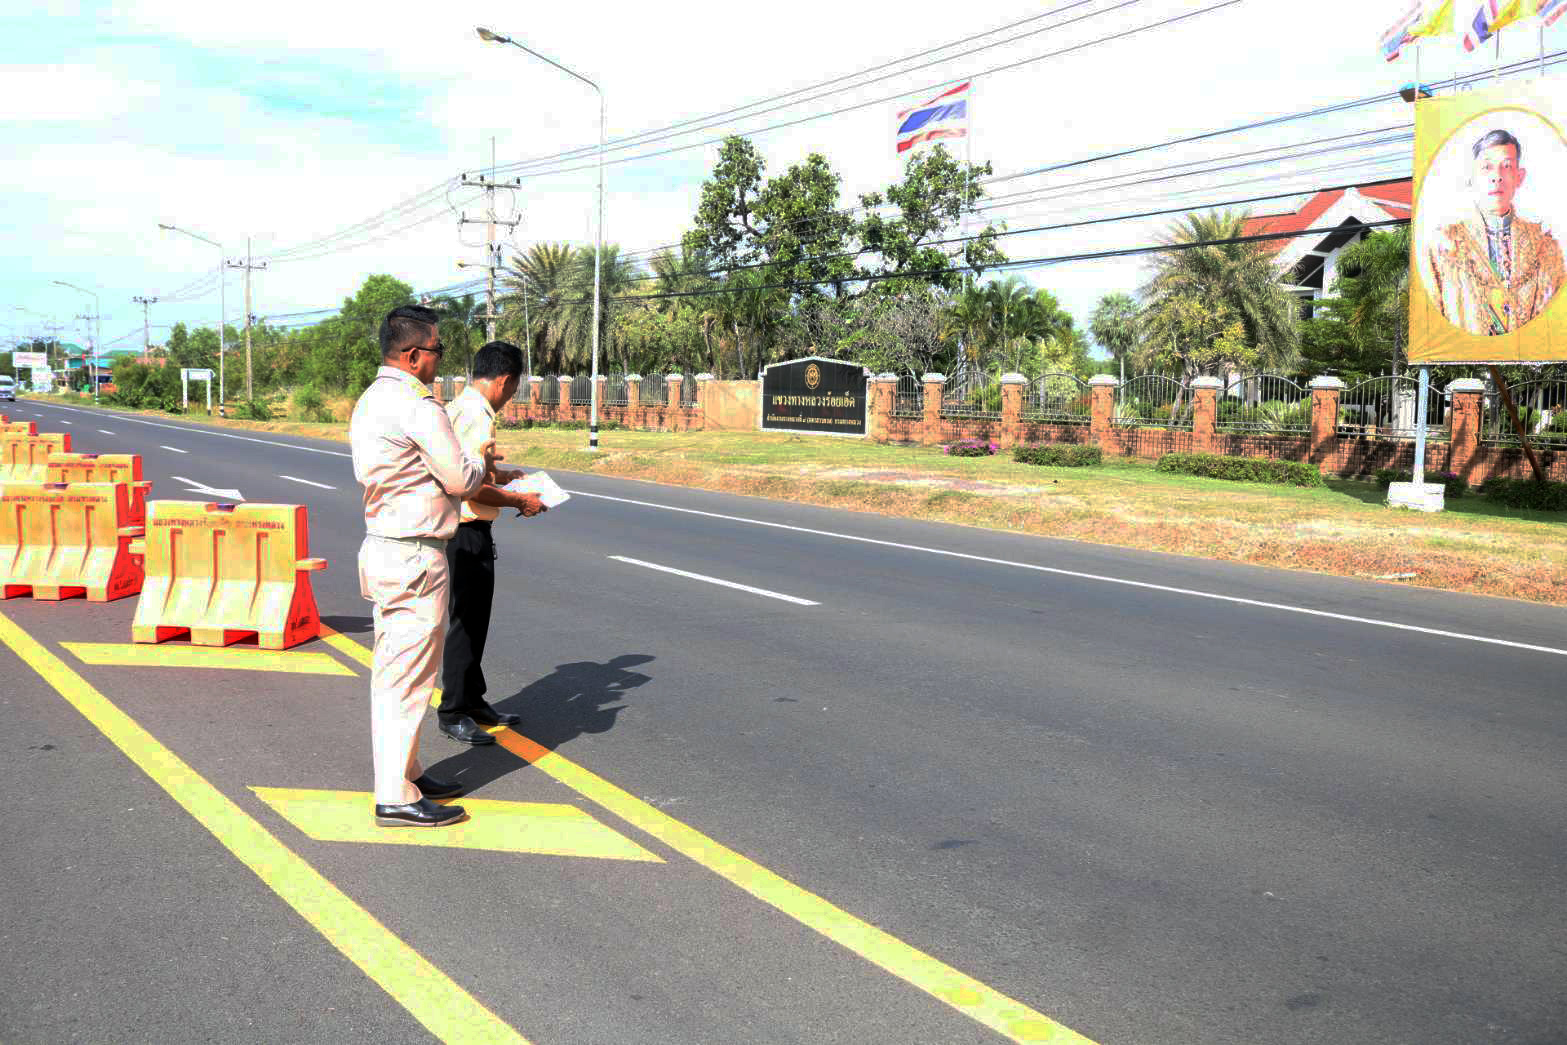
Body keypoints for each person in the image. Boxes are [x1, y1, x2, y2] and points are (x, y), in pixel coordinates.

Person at [349, 304, 499, 828]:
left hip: (388, 546)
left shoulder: (372, 398)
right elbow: (460, 478)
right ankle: (394, 794)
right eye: (438, 349)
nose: (440, 359)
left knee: (399, 672)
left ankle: (407, 773)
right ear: (414, 356)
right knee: (407, 680)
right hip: (414, 553)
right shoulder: (418, 404)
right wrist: (483, 460)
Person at [438, 341, 546, 746]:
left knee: (475, 619)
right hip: (466, 529)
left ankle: (473, 700)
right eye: (514, 388)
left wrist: (504, 476)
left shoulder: (459, 406)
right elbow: (470, 488)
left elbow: (471, 471)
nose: (510, 397)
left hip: (463, 528)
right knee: (465, 623)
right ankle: (453, 711)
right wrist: (520, 500)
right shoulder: (477, 416)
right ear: (504, 380)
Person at [1424, 128, 1566, 336]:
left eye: (1506, 166)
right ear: (1472, 177)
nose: (1497, 177)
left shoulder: (1545, 247)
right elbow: (1431, 324)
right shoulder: (1444, 244)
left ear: (1519, 177)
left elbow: (1555, 323)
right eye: (1487, 167)